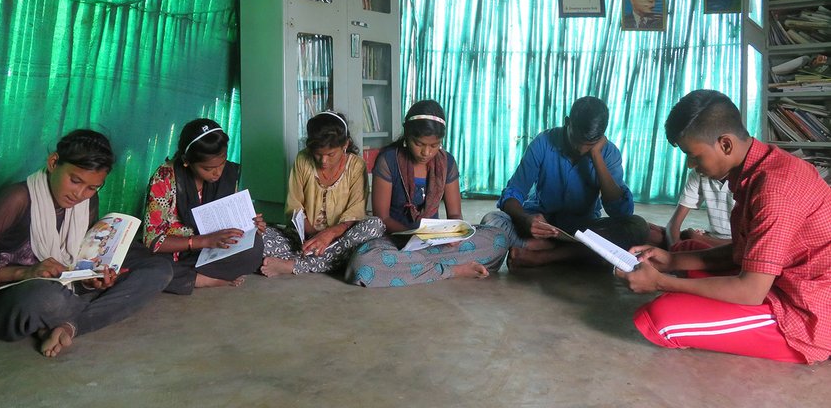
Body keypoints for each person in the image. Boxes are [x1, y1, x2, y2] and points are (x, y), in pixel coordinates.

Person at [617, 90, 831, 364]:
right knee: (688, 250)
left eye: (693, 156)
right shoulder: (760, 165)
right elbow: (744, 252)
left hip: (806, 309)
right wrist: (670, 259)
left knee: (662, 319)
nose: (691, 165)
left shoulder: (774, 191)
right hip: (778, 279)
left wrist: (660, 281)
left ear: (725, 145)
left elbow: (750, 291)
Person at [0, 129, 173, 357]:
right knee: (47, 298)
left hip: (65, 285)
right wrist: (24, 272)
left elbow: (79, 258)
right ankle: (80, 316)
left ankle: (67, 326)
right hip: (18, 295)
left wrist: (94, 279)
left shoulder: (88, 202)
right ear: (53, 163)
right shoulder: (17, 198)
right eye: (75, 180)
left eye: (92, 187)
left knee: (158, 269)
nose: (79, 194)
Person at [345, 100, 508, 287]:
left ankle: (417, 268)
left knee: (499, 239)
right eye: (419, 144)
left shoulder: (447, 163)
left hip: (435, 244)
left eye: (434, 145)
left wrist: (455, 236)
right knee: (363, 263)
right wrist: (413, 237)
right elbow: (382, 218)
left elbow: (455, 215)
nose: (426, 152)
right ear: (407, 134)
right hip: (396, 242)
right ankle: (452, 270)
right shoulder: (388, 160)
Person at [481, 96, 648, 268]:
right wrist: (525, 219)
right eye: (576, 140)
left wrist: (597, 156)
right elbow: (514, 191)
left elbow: (621, 212)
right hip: (540, 225)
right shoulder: (543, 142)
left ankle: (543, 255)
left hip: (583, 230)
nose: (581, 149)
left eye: (590, 145)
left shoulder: (609, 154)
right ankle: (575, 253)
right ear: (567, 122)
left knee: (637, 227)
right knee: (492, 221)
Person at [143, 118, 264, 294]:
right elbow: (152, 241)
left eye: (222, 164)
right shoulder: (164, 178)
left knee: (255, 247)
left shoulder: (228, 175)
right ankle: (201, 280)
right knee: (148, 265)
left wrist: (252, 226)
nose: (218, 172)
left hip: (211, 252)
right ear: (187, 160)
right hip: (176, 253)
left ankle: (188, 277)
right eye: (208, 169)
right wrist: (201, 241)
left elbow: (231, 225)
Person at [260, 111, 385, 276]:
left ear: (345, 145)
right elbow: (294, 206)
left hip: (340, 238)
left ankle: (294, 265)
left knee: (374, 226)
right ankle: (329, 261)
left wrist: (328, 235)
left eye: (331, 154)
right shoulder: (303, 159)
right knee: (258, 235)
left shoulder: (356, 166)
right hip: (303, 238)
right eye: (318, 154)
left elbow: (356, 212)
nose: (323, 161)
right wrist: (314, 237)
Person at [663, 170, 733, 249]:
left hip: (735, 246)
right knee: (651, 231)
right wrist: (675, 249)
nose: (690, 165)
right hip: (711, 237)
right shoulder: (699, 172)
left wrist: (697, 238)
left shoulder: (746, 180)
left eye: (695, 157)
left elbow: (744, 243)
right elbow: (673, 224)